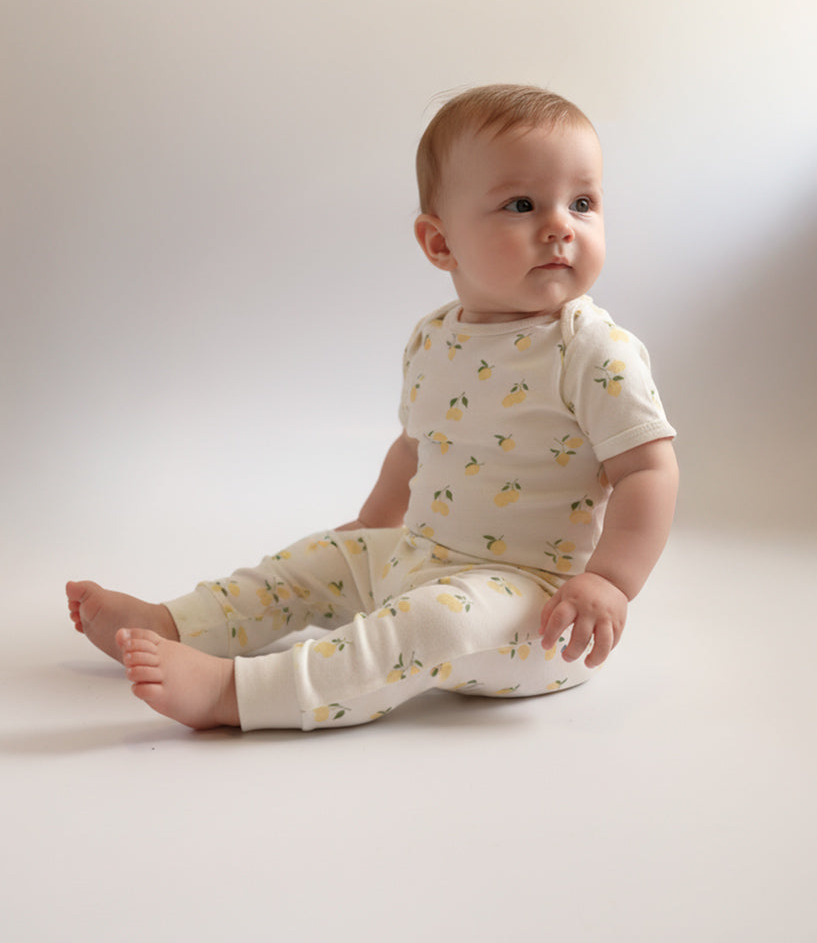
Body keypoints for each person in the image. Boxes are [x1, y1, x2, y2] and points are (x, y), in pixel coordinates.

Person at [67, 84, 678, 732]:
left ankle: (238, 694)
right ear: (439, 243)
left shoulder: (591, 350)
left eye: (582, 203)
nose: (560, 225)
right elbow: (414, 448)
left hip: (538, 608)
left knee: (432, 624)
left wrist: (609, 582)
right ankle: (176, 623)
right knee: (314, 561)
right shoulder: (433, 338)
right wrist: (368, 527)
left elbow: (648, 469)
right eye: (521, 205)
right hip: (422, 555)